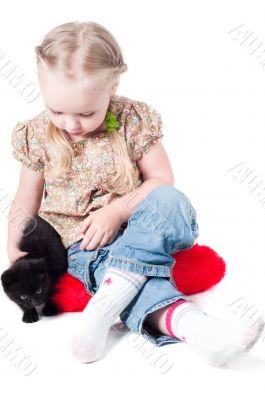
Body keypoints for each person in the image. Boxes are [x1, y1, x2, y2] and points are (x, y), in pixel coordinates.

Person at [8, 20, 264, 367]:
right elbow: (25, 199)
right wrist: (16, 251)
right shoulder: (37, 134)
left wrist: (116, 212)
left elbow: (161, 179)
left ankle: (108, 299)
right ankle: (199, 331)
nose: (71, 124)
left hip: (143, 230)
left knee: (171, 201)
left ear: (113, 85)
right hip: (86, 245)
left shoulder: (131, 119)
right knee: (139, 279)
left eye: (85, 113)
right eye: (57, 111)